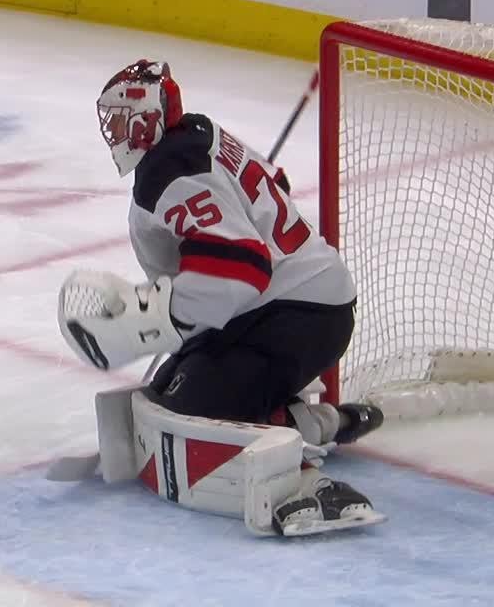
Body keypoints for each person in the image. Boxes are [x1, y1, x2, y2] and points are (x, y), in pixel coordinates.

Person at [59, 59, 384, 535]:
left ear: (146, 120)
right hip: (290, 307)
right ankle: (320, 422)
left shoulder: (167, 175)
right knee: (168, 393)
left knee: (187, 414)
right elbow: (277, 184)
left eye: (119, 120)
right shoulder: (198, 132)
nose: (113, 132)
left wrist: (156, 316)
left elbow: (239, 270)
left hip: (294, 316)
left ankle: (308, 485)